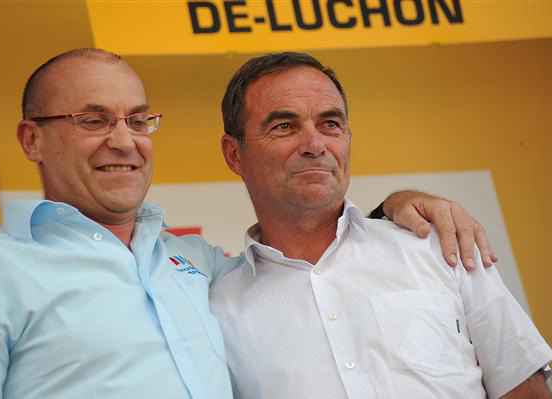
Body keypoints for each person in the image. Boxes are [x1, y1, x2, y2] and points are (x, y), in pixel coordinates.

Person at [0, 48, 494, 399]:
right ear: (32, 140)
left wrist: (400, 205)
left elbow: (308, 253)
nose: (124, 140)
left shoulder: (204, 267)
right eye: (93, 120)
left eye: (138, 120)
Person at [210, 52, 552, 399]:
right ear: (234, 154)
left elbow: (525, 390)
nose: (316, 145)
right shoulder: (215, 309)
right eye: (284, 126)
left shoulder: (440, 245)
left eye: (331, 124)